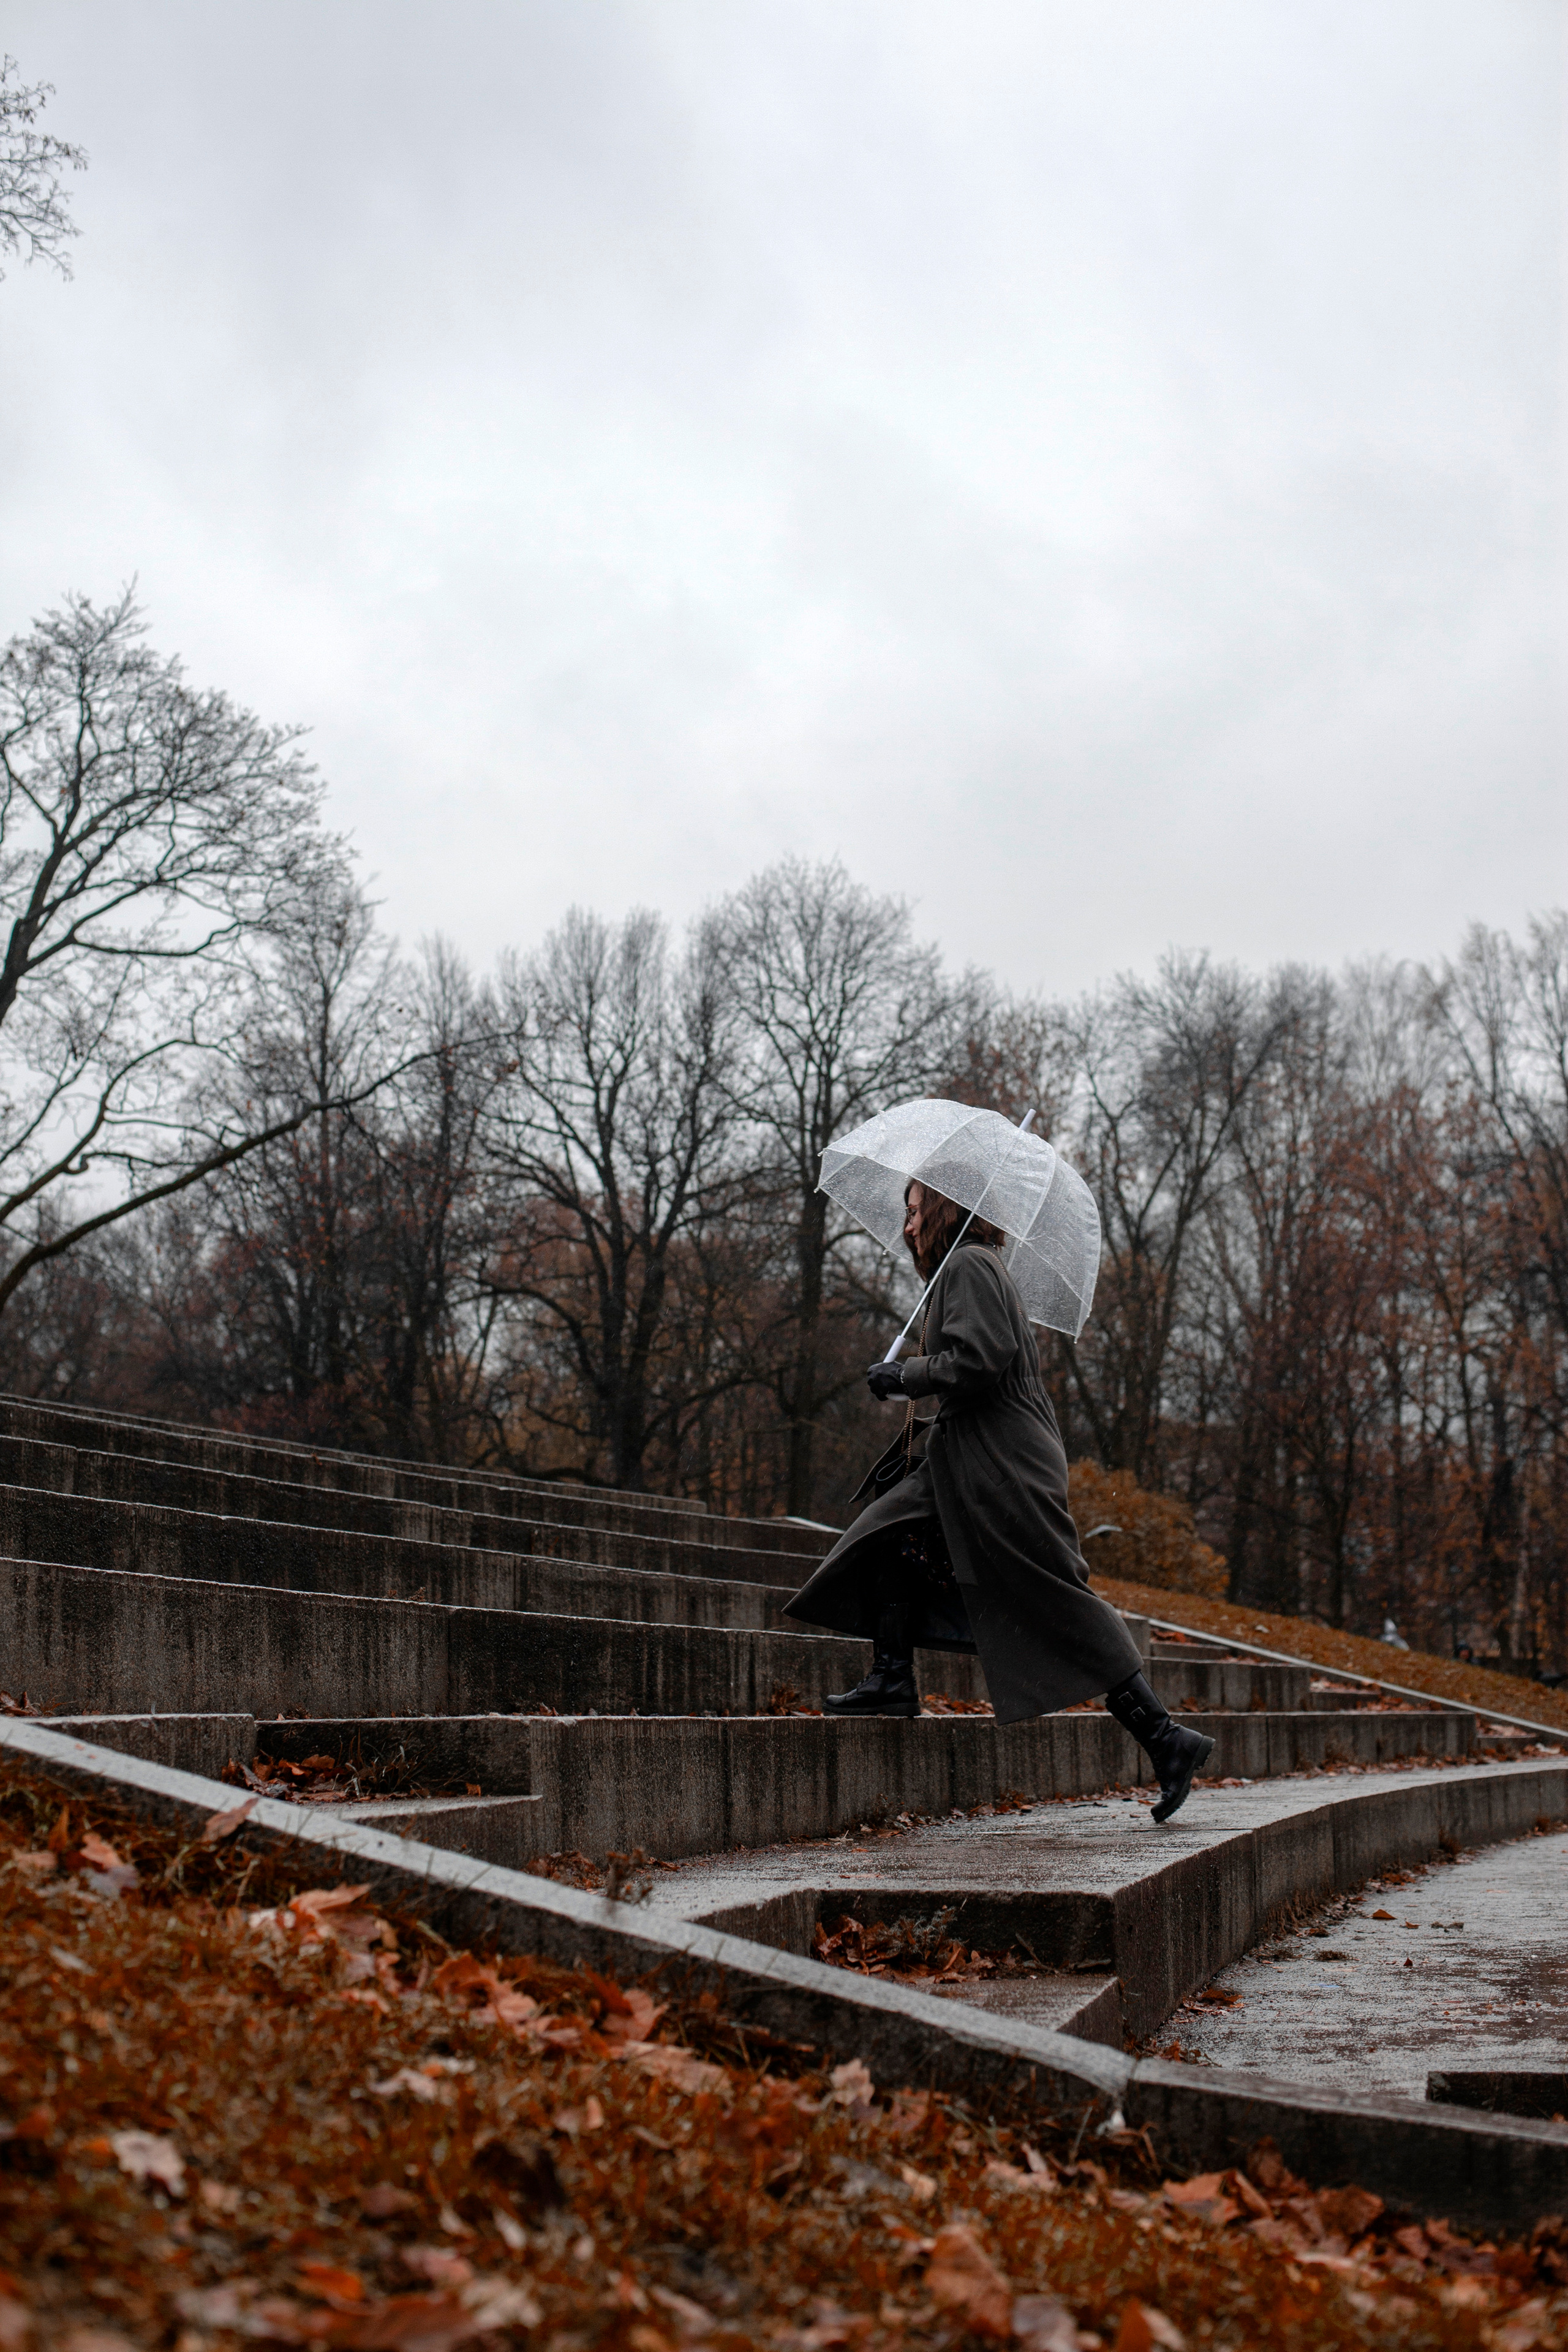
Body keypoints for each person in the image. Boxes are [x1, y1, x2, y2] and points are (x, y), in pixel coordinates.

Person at [785, 1178, 1213, 1824]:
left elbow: (979, 1358)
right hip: (970, 1459)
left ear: (942, 1209)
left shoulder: (969, 1263)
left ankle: (1165, 1738)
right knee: (886, 1535)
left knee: (1053, 1595)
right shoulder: (968, 1267)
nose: (906, 1226)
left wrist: (905, 1376)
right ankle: (892, 1677)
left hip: (1003, 1464)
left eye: (912, 1211)